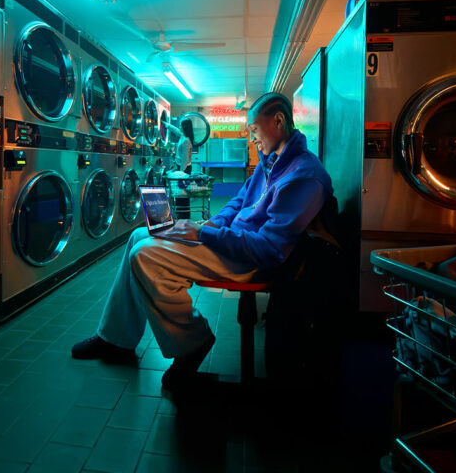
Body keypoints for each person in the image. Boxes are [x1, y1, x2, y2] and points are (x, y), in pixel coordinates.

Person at [71, 92, 333, 391]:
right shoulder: (269, 163)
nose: (252, 138)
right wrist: (206, 225)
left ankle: (191, 343)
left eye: (254, 130)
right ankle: (115, 339)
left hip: (252, 260)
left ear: (278, 121)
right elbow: (237, 203)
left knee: (146, 255)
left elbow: (270, 250)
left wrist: (204, 234)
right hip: (232, 242)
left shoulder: (304, 177)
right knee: (139, 235)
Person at [166, 117, 195, 219]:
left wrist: (181, 174)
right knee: (180, 193)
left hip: (184, 168)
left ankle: (184, 217)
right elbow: (176, 131)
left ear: (185, 127)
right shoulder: (183, 136)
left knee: (183, 194)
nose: (179, 127)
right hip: (181, 167)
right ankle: (181, 215)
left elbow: (185, 159)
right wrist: (167, 125)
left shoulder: (186, 140)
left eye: (180, 126)